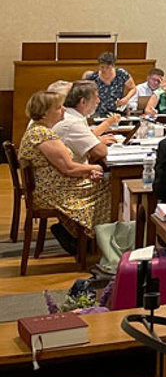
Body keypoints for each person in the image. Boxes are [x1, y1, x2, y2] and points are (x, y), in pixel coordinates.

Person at [18, 90, 110, 254]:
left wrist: (87, 172)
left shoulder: (40, 130)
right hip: (54, 192)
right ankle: (95, 241)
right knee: (112, 188)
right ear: (45, 113)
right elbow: (69, 168)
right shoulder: (42, 134)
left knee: (104, 182)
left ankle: (85, 236)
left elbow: (66, 167)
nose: (64, 110)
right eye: (59, 107)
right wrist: (94, 168)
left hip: (54, 186)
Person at [53, 80, 119, 163]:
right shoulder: (72, 122)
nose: (98, 101)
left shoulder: (73, 116)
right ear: (83, 102)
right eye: (96, 97)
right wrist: (98, 141)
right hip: (75, 174)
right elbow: (100, 152)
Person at [88, 52, 137, 117]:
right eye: (102, 67)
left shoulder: (121, 74)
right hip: (99, 113)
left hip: (118, 111)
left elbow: (133, 88)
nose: (104, 70)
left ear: (113, 66)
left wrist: (126, 98)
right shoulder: (94, 77)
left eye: (108, 67)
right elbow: (87, 93)